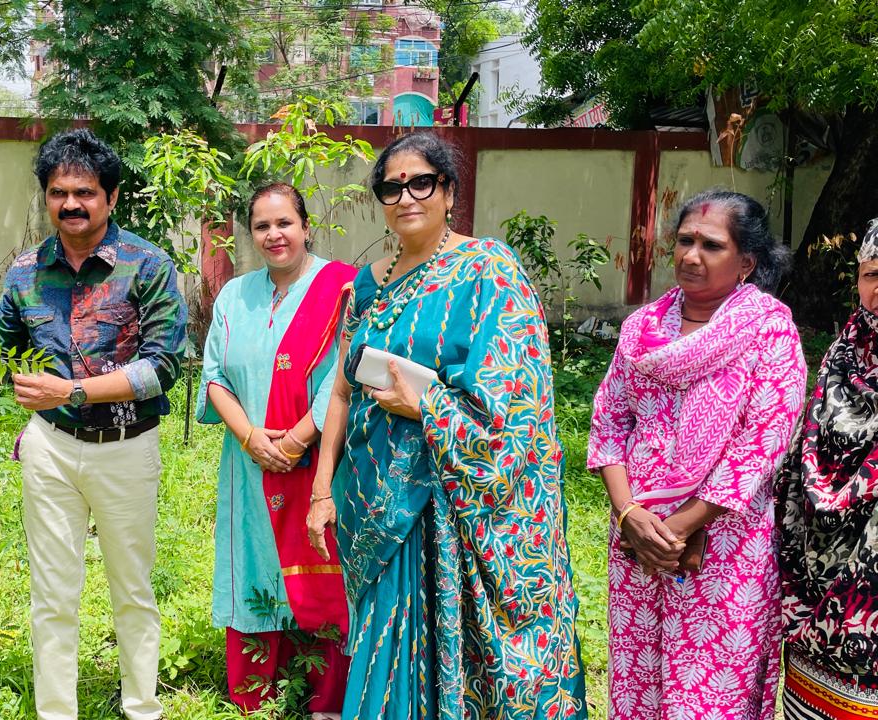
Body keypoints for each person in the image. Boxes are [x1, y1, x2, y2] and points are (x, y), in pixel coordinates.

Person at [0, 129, 186, 720]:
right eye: (58, 192)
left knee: (132, 591)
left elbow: (163, 368)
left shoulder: (148, 265)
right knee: (53, 595)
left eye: (85, 192)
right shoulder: (25, 272)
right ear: (45, 197)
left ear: (111, 197)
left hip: (126, 449)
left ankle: (142, 708)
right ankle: (56, 712)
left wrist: (70, 389)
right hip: (51, 450)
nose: (71, 204)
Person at [306, 132, 587, 719]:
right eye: (391, 187)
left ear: (449, 191)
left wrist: (428, 408)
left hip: (453, 505)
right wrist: (322, 488)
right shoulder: (365, 283)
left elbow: (520, 405)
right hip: (374, 495)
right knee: (382, 639)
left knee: (458, 652)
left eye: (421, 183)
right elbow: (340, 386)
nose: (406, 196)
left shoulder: (488, 271)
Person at [588, 189, 806, 719]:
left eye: (711, 245)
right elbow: (610, 421)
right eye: (685, 240)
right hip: (639, 544)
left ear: (747, 262)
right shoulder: (642, 329)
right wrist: (631, 515)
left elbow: (763, 443)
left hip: (726, 544)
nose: (691, 255)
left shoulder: (769, 328)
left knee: (710, 697)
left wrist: (683, 524)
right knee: (641, 684)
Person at [196, 183, 353, 717]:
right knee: (254, 563)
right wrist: (252, 438)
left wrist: (294, 439)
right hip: (248, 465)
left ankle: (323, 698)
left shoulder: (343, 289)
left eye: (284, 223)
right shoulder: (235, 295)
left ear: (306, 226)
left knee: (320, 562)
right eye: (262, 226)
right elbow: (214, 377)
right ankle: (256, 693)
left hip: (319, 464)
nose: (274, 235)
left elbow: (345, 377)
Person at [779, 219, 878, 719]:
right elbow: (806, 453)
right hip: (818, 567)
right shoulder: (845, 350)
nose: (877, 288)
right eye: (870, 273)